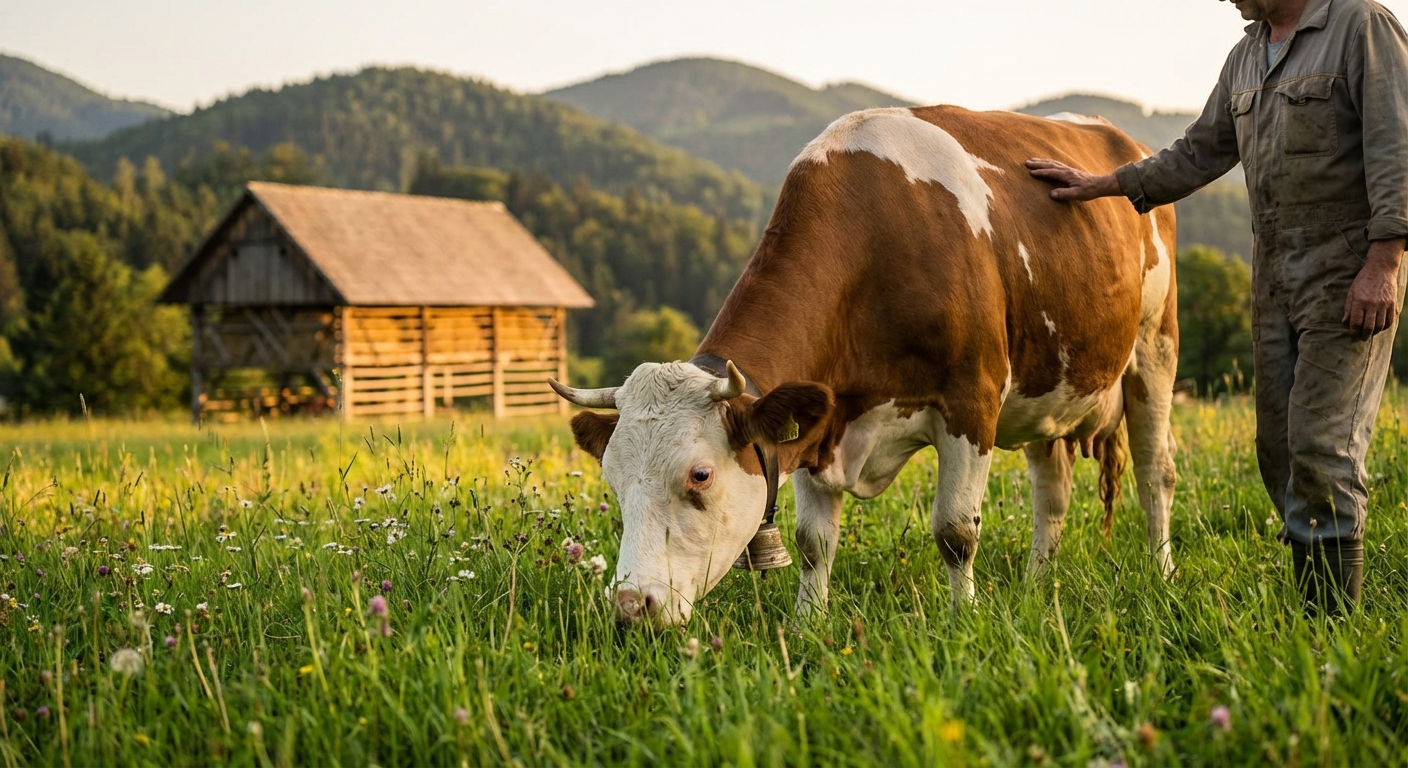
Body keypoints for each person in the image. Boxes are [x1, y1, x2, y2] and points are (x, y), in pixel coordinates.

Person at [1027, 0, 1408, 615]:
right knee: (1279, 446)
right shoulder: (1246, 57)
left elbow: (1399, 145)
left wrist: (1385, 261)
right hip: (1274, 276)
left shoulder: (1360, 26)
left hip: (1348, 271)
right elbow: (1199, 152)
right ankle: (1315, 601)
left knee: (1320, 444)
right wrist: (1105, 184)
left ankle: (1333, 626)